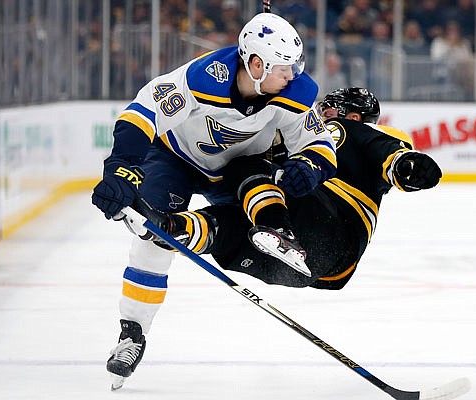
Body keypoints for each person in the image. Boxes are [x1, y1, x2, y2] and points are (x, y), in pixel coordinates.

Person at [91, 13, 337, 390]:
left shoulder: (296, 90)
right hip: (175, 159)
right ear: (256, 64)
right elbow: (143, 111)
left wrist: (311, 164)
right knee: (153, 238)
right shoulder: (203, 77)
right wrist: (122, 165)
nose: (294, 75)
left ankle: (277, 231)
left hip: (239, 165)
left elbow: (318, 142)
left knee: (261, 180)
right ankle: (132, 334)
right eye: (285, 67)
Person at [136, 87, 442, 291]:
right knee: (227, 223)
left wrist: (408, 166)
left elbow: (392, 158)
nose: (321, 114)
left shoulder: (348, 131)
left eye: (330, 110)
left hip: (334, 228)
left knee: (248, 167)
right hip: (306, 265)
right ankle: (178, 228)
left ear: (353, 116)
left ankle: (279, 229)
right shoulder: (300, 139)